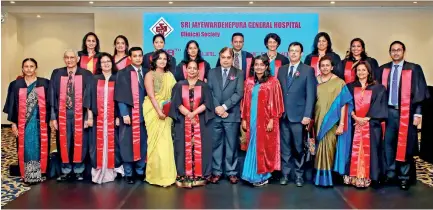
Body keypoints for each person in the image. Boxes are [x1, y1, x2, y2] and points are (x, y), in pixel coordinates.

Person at [377, 41, 430, 190]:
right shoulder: (383, 70)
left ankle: (404, 177)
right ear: (390, 52)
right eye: (393, 50)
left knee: (405, 145)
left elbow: (420, 93)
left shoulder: (413, 69)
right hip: (387, 112)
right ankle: (390, 174)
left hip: (406, 113)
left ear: (403, 52)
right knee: (387, 144)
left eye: (398, 50)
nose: (396, 53)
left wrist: (418, 113)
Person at [169, 60, 215, 188]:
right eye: (190, 68)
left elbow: (208, 103)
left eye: (195, 68)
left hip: (200, 121)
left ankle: (200, 174)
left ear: (198, 71)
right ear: (186, 70)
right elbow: (176, 103)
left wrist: (193, 113)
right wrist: (188, 115)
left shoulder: (204, 86)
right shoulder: (179, 85)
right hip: (183, 122)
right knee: (182, 147)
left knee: (201, 147)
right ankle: (183, 174)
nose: (192, 70)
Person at [4, 58, 50, 185]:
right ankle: (27, 175)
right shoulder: (16, 84)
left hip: (40, 124)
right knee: (26, 149)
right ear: (22, 68)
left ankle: (39, 173)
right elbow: (11, 105)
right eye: (26, 66)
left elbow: (51, 103)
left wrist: (51, 120)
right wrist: (13, 124)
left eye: (31, 66)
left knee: (40, 148)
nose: (29, 69)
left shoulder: (44, 83)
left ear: (36, 67)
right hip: (23, 124)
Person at [50, 50, 93, 181]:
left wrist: (88, 116)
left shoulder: (86, 74)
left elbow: (90, 96)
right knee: (64, 142)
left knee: (80, 142)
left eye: (72, 57)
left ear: (78, 59)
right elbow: (52, 95)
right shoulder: (57, 73)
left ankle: (79, 169)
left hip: (80, 113)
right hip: (62, 114)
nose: (69, 60)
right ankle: (66, 169)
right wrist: (52, 117)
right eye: (67, 58)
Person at [277, 42, 317, 187]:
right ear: (288, 53)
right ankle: (286, 174)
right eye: (291, 51)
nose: (293, 53)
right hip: (283, 116)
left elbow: (311, 95)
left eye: (296, 51)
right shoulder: (281, 70)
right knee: (285, 147)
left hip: (300, 116)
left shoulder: (307, 70)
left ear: (301, 54)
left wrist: (308, 115)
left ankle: (299, 175)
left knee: (299, 147)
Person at [240, 55, 284, 187]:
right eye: (256, 64)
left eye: (261, 64)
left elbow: (277, 103)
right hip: (251, 118)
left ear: (266, 67)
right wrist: (244, 118)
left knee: (263, 147)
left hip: (266, 120)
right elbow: (245, 102)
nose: (258, 67)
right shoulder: (248, 81)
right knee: (252, 144)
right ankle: (251, 174)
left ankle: (263, 175)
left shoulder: (273, 82)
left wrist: (272, 119)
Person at [345, 61, 388, 188]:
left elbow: (379, 106)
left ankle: (370, 176)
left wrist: (367, 118)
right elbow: (347, 104)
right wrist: (354, 116)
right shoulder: (350, 87)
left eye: (364, 70)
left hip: (372, 125)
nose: (361, 72)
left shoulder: (378, 88)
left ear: (369, 72)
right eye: (358, 70)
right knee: (353, 150)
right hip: (354, 124)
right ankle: (354, 175)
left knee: (372, 150)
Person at [313, 56, 353, 187]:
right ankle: (318, 177)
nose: (325, 67)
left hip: (332, 121)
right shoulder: (315, 81)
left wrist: (341, 123)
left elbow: (343, 104)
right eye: (322, 65)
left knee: (329, 147)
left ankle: (327, 178)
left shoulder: (339, 82)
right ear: (319, 67)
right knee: (319, 148)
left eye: (327, 65)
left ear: (332, 67)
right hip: (317, 119)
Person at [85, 53, 124, 184]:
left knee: (114, 144)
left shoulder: (117, 78)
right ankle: (98, 172)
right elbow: (88, 99)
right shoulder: (94, 79)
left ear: (112, 63)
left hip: (112, 119)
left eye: (108, 61)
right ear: (99, 65)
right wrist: (89, 117)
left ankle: (111, 172)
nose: (106, 64)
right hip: (98, 119)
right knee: (97, 145)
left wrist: (119, 116)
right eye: (103, 62)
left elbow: (120, 99)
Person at [207, 47, 244, 184]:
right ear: (219, 57)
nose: (226, 60)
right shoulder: (211, 72)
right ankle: (216, 172)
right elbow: (209, 92)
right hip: (215, 114)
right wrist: (217, 107)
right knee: (216, 145)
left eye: (229, 57)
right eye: (223, 57)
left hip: (231, 114)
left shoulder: (239, 73)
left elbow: (239, 93)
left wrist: (224, 107)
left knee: (231, 145)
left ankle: (232, 172)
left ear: (232, 58)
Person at [143, 49, 177, 187]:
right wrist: (159, 112)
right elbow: (151, 96)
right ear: (154, 60)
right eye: (160, 58)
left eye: (164, 59)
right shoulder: (149, 75)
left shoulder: (170, 75)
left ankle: (167, 175)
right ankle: (154, 175)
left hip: (166, 110)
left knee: (166, 143)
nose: (162, 61)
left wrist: (167, 110)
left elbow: (175, 94)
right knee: (155, 143)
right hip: (153, 110)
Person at [114, 47, 148, 184]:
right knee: (127, 144)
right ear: (130, 57)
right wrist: (124, 114)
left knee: (143, 144)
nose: (138, 58)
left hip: (144, 116)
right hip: (129, 116)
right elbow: (120, 95)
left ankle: (140, 171)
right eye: (135, 56)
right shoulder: (123, 73)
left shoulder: (146, 72)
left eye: (140, 55)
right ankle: (129, 173)